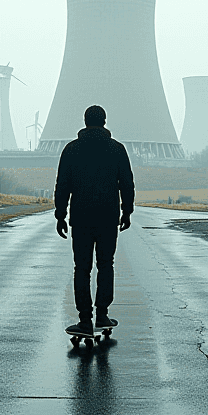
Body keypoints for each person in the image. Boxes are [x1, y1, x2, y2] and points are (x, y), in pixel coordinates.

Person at [54, 105, 135, 336]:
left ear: (85, 121)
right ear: (105, 121)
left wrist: (60, 215)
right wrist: (126, 211)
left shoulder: (71, 150)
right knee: (105, 265)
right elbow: (126, 183)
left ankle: (84, 319)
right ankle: (102, 313)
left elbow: (63, 186)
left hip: (80, 218)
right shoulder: (116, 149)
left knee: (82, 268)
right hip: (108, 218)